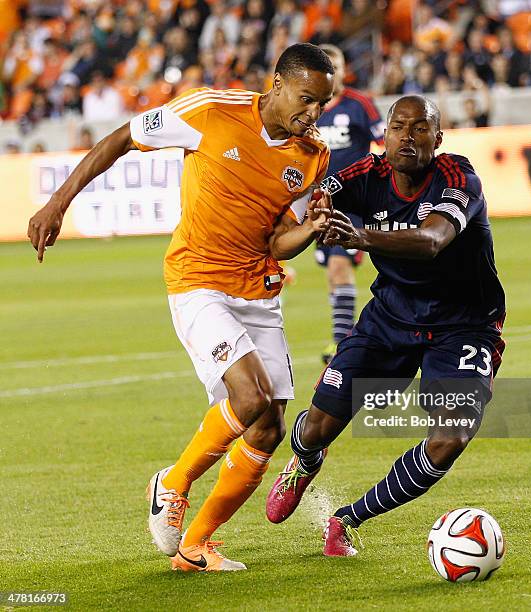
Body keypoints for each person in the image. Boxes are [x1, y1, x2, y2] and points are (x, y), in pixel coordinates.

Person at [27, 43, 335, 572]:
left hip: (258, 289)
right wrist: (58, 202)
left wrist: (310, 229)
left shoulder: (312, 155)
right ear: (278, 84)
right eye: (306, 99)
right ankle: (172, 483)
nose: (313, 114)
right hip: (198, 281)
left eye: (322, 104)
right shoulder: (212, 109)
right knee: (249, 394)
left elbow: (279, 240)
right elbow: (122, 138)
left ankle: (196, 545)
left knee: (268, 426)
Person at [266, 94, 506, 556]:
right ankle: (304, 462)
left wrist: (362, 236)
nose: (407, 137)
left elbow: (434, 239)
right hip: (390, 319)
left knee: (450, 437)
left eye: (420, 129)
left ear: (438, 139)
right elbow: (315, 196)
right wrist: (309, 213)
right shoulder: (366, 176)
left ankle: (347, 519)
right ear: (386, 133)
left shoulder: (459, 178)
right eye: (399, 127)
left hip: (465, 326)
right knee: (316, 427)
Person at [314, 44, 384, 364]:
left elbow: (386, 144)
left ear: (344, 70)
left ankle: (344, 345)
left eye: (337, 66)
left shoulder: (360, 104)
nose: (333, 72)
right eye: (326, 67)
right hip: (318, 205)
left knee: (341, 268)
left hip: (353, 204)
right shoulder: (310, 108)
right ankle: (339, 338)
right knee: (332, 272)